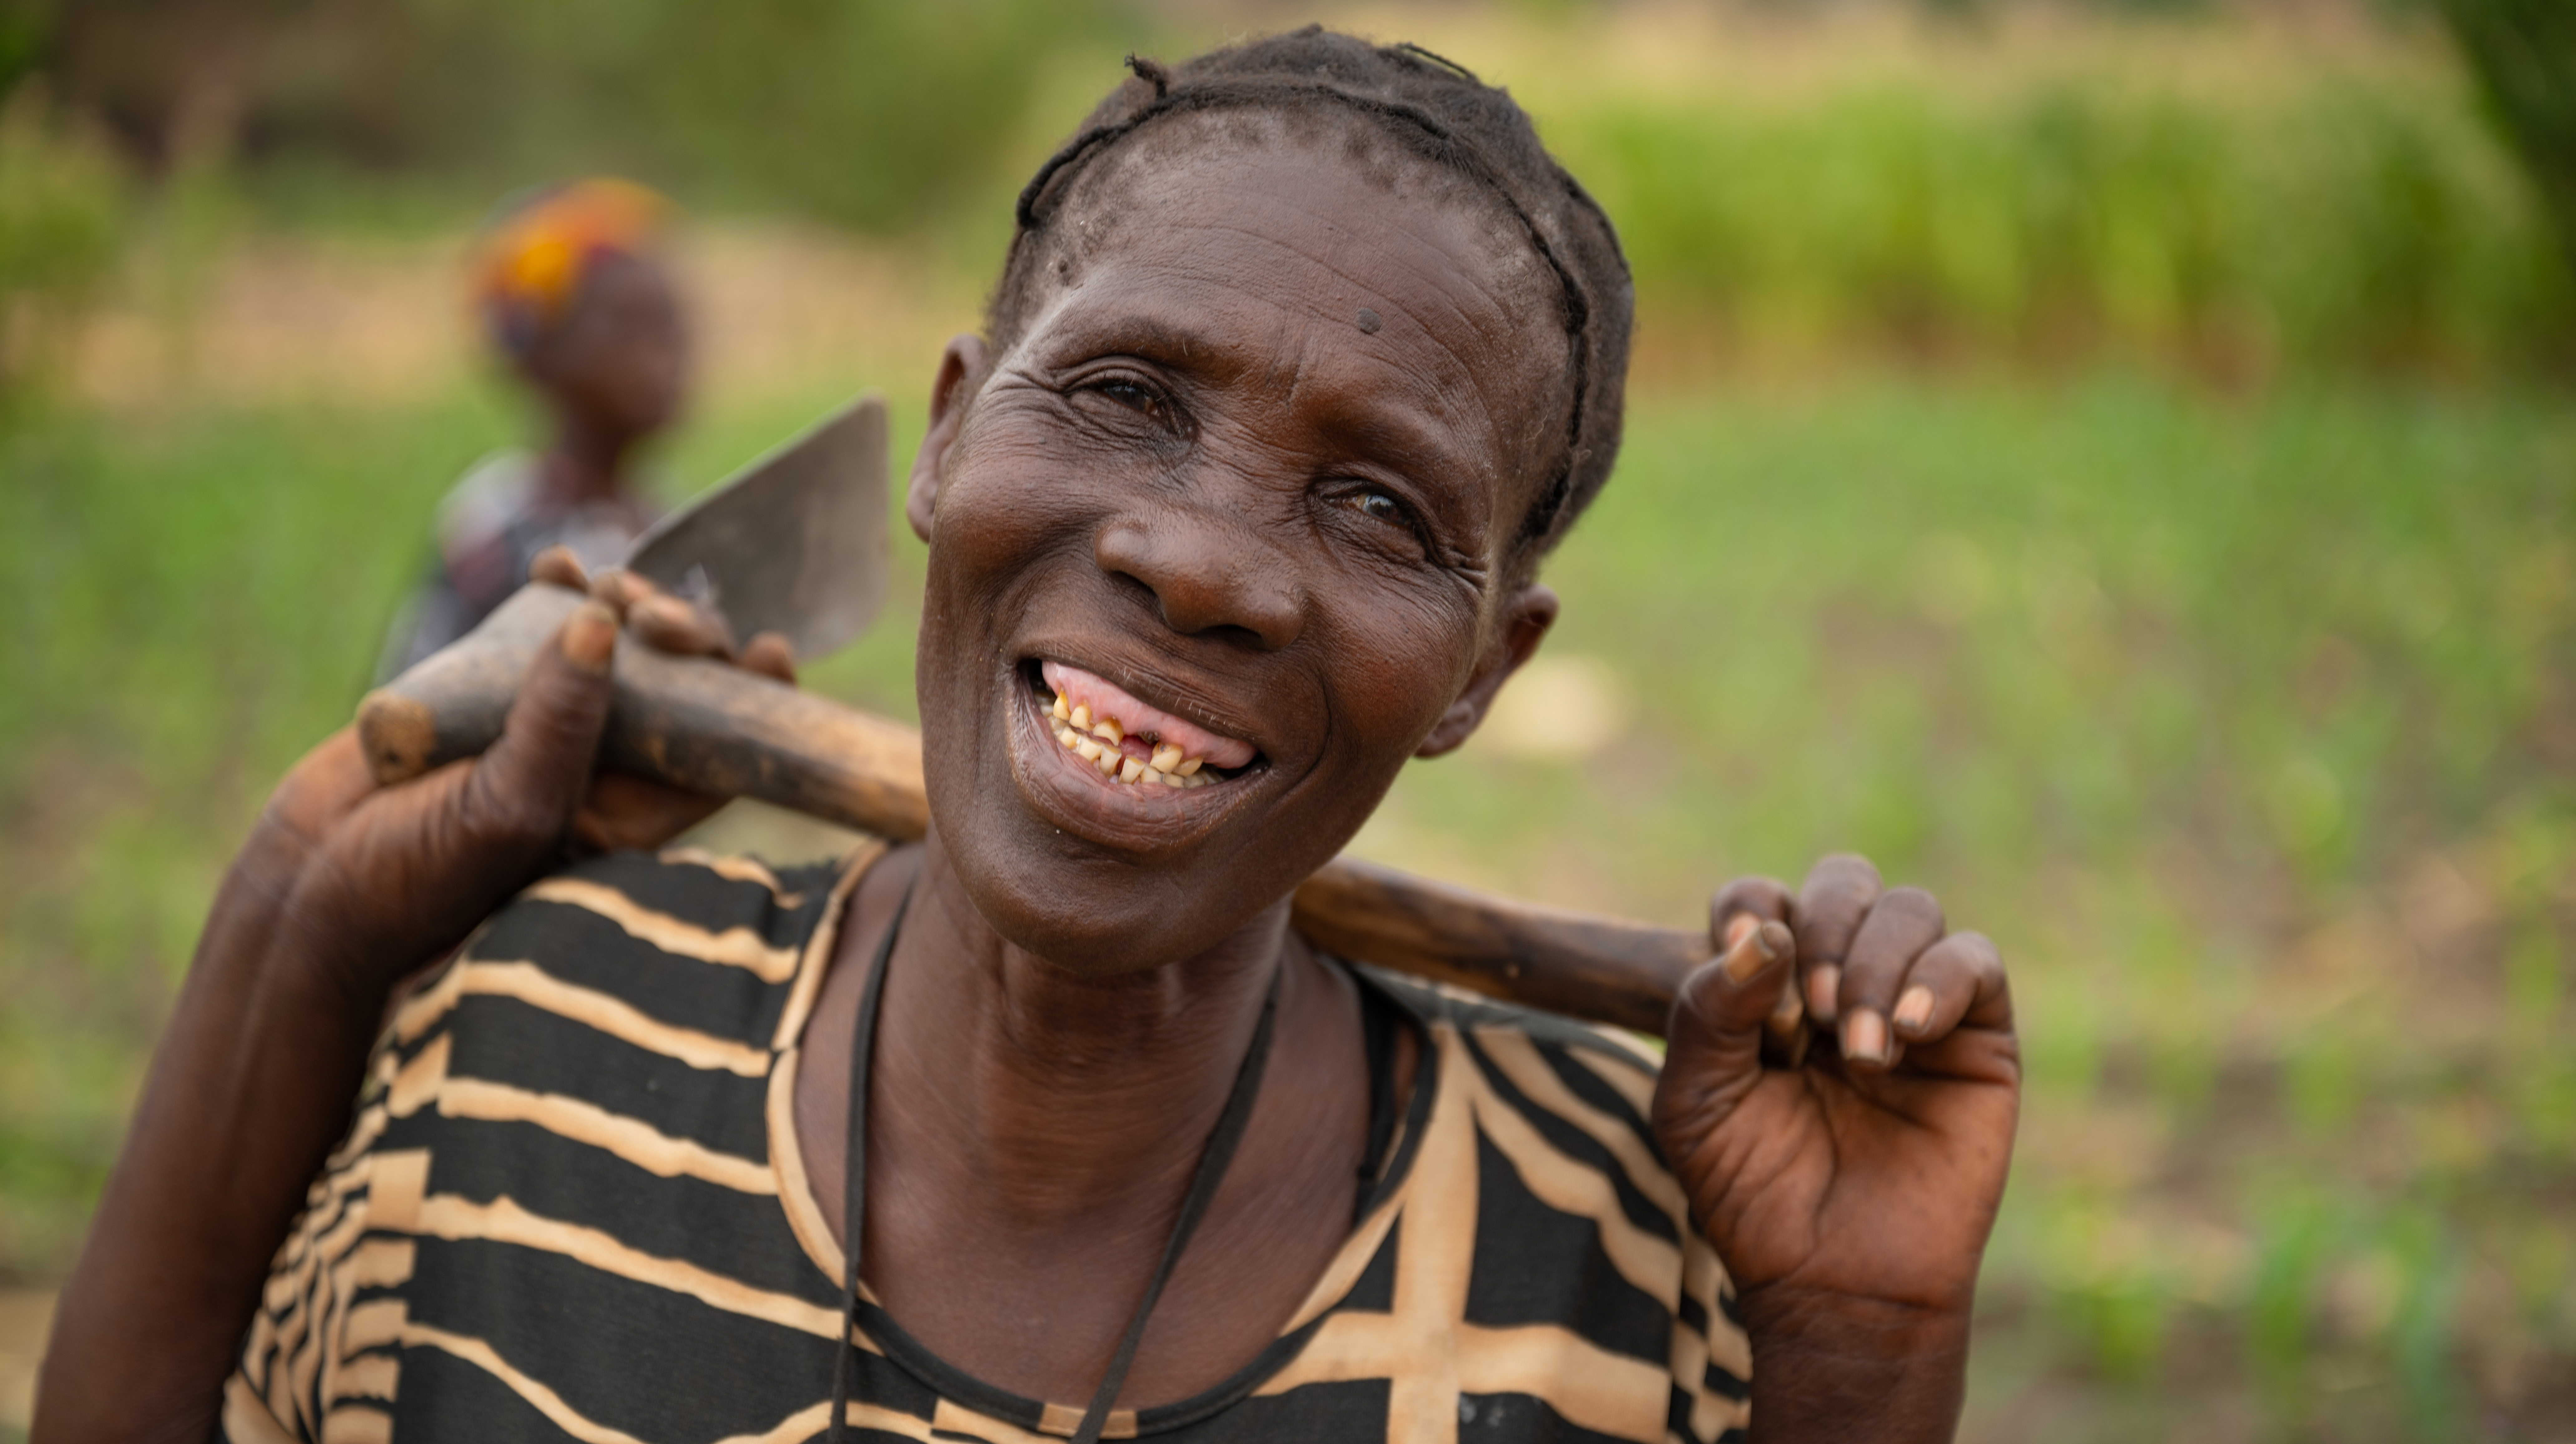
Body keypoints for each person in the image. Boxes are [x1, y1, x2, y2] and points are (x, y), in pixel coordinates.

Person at [37, 31, 2019, 1444]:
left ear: (1482, 669)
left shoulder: (1620, 1259)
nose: (1199, 563)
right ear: (952, 428)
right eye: (1130, 398)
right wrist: (301, 910)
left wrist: (1854, 1358)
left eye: (1377, 509)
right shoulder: (516, 1071)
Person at [379, 178, 688, 678]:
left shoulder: (664, 516)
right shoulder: (501, 526)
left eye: (671, 325)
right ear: (541, 359)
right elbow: (416, 702)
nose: (665, 356)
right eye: (625, 327)